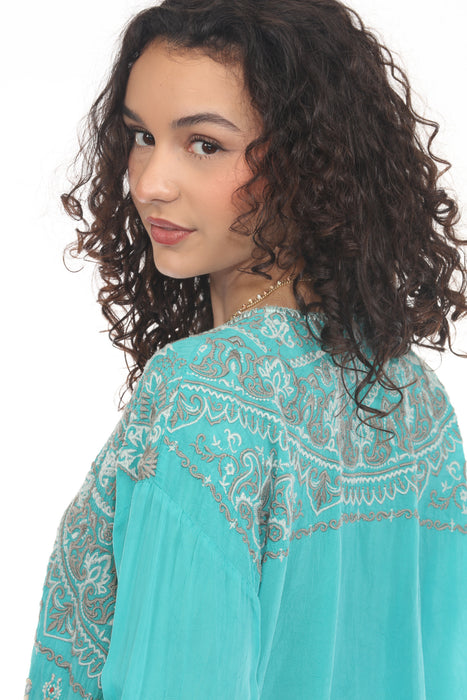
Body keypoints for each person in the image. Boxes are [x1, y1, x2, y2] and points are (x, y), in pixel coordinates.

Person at [25, 0, 467, 698]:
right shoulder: (416, 399)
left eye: (205, 145)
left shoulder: (202, 394)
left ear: (310, 160)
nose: (149, 183)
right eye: (141, 137)